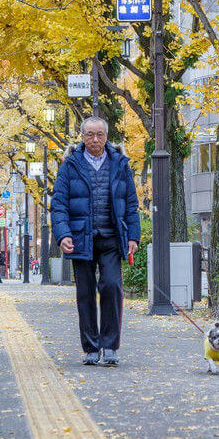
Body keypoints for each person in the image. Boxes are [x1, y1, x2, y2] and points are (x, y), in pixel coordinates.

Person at [51, 116, 140, 366]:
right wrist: (63, 234)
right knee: (85, 293)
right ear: (82, 136)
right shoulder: (70, 165)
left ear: (106, 136)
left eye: (100, 134)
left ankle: (110, 346)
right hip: (80, 238)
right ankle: (91, 347)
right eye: (89, 134)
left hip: (111, 236)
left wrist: (133, 235)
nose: (95, 139)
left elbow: (131, 204)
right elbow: (58, 204)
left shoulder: (120, 163)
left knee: (112, 287)